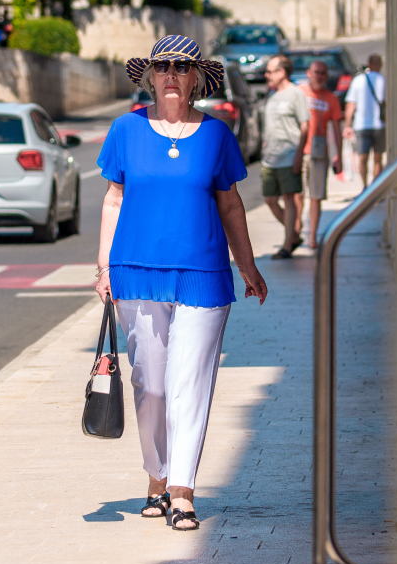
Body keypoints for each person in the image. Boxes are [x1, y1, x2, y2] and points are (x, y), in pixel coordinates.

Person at [97, 35, 268, 532]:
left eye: (182, 67)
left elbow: (231, 204)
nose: (172, 74)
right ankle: (157, 475)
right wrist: (104, 267)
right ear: (150, 76)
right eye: (163, 66)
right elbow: (113, 200)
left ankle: (182, 490)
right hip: (137, 271)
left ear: (196, 80)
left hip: (203, 276)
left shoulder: (217, 135)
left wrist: (248, 266)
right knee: (150, 383)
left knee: (188, 382)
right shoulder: (126, 129)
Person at [261, 54, 310, 258]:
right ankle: (294, 234)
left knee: (289, 199)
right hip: (269, 158)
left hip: (289, 155)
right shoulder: (271, 95)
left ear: (282, 72)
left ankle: (287, 245)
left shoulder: (295, 94)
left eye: (270, 71)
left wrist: (299, 154)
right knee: (270, 199)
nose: (266, 75)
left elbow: (305, 125)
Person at [299, 60, 343, 248]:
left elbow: (337, 129)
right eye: (317, 72)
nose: (320, 77)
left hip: (319, 153)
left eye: (323, 73)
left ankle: (312, 236)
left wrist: (338, 156)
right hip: (298, 152)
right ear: (309, 73)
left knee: (315, 197)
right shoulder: (299, 92)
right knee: (297, 195)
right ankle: (295, 229)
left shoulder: (331, 98)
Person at [343, 53, 387, 188]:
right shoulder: (383, 80)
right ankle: (375, 187)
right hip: (379, 125)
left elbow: (351, 105)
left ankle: (364, 186)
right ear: (380, 65)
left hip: (361, 125)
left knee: (363, 158)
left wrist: (347, 125)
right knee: (378, 159)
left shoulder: (358, 80)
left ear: (369, 64)